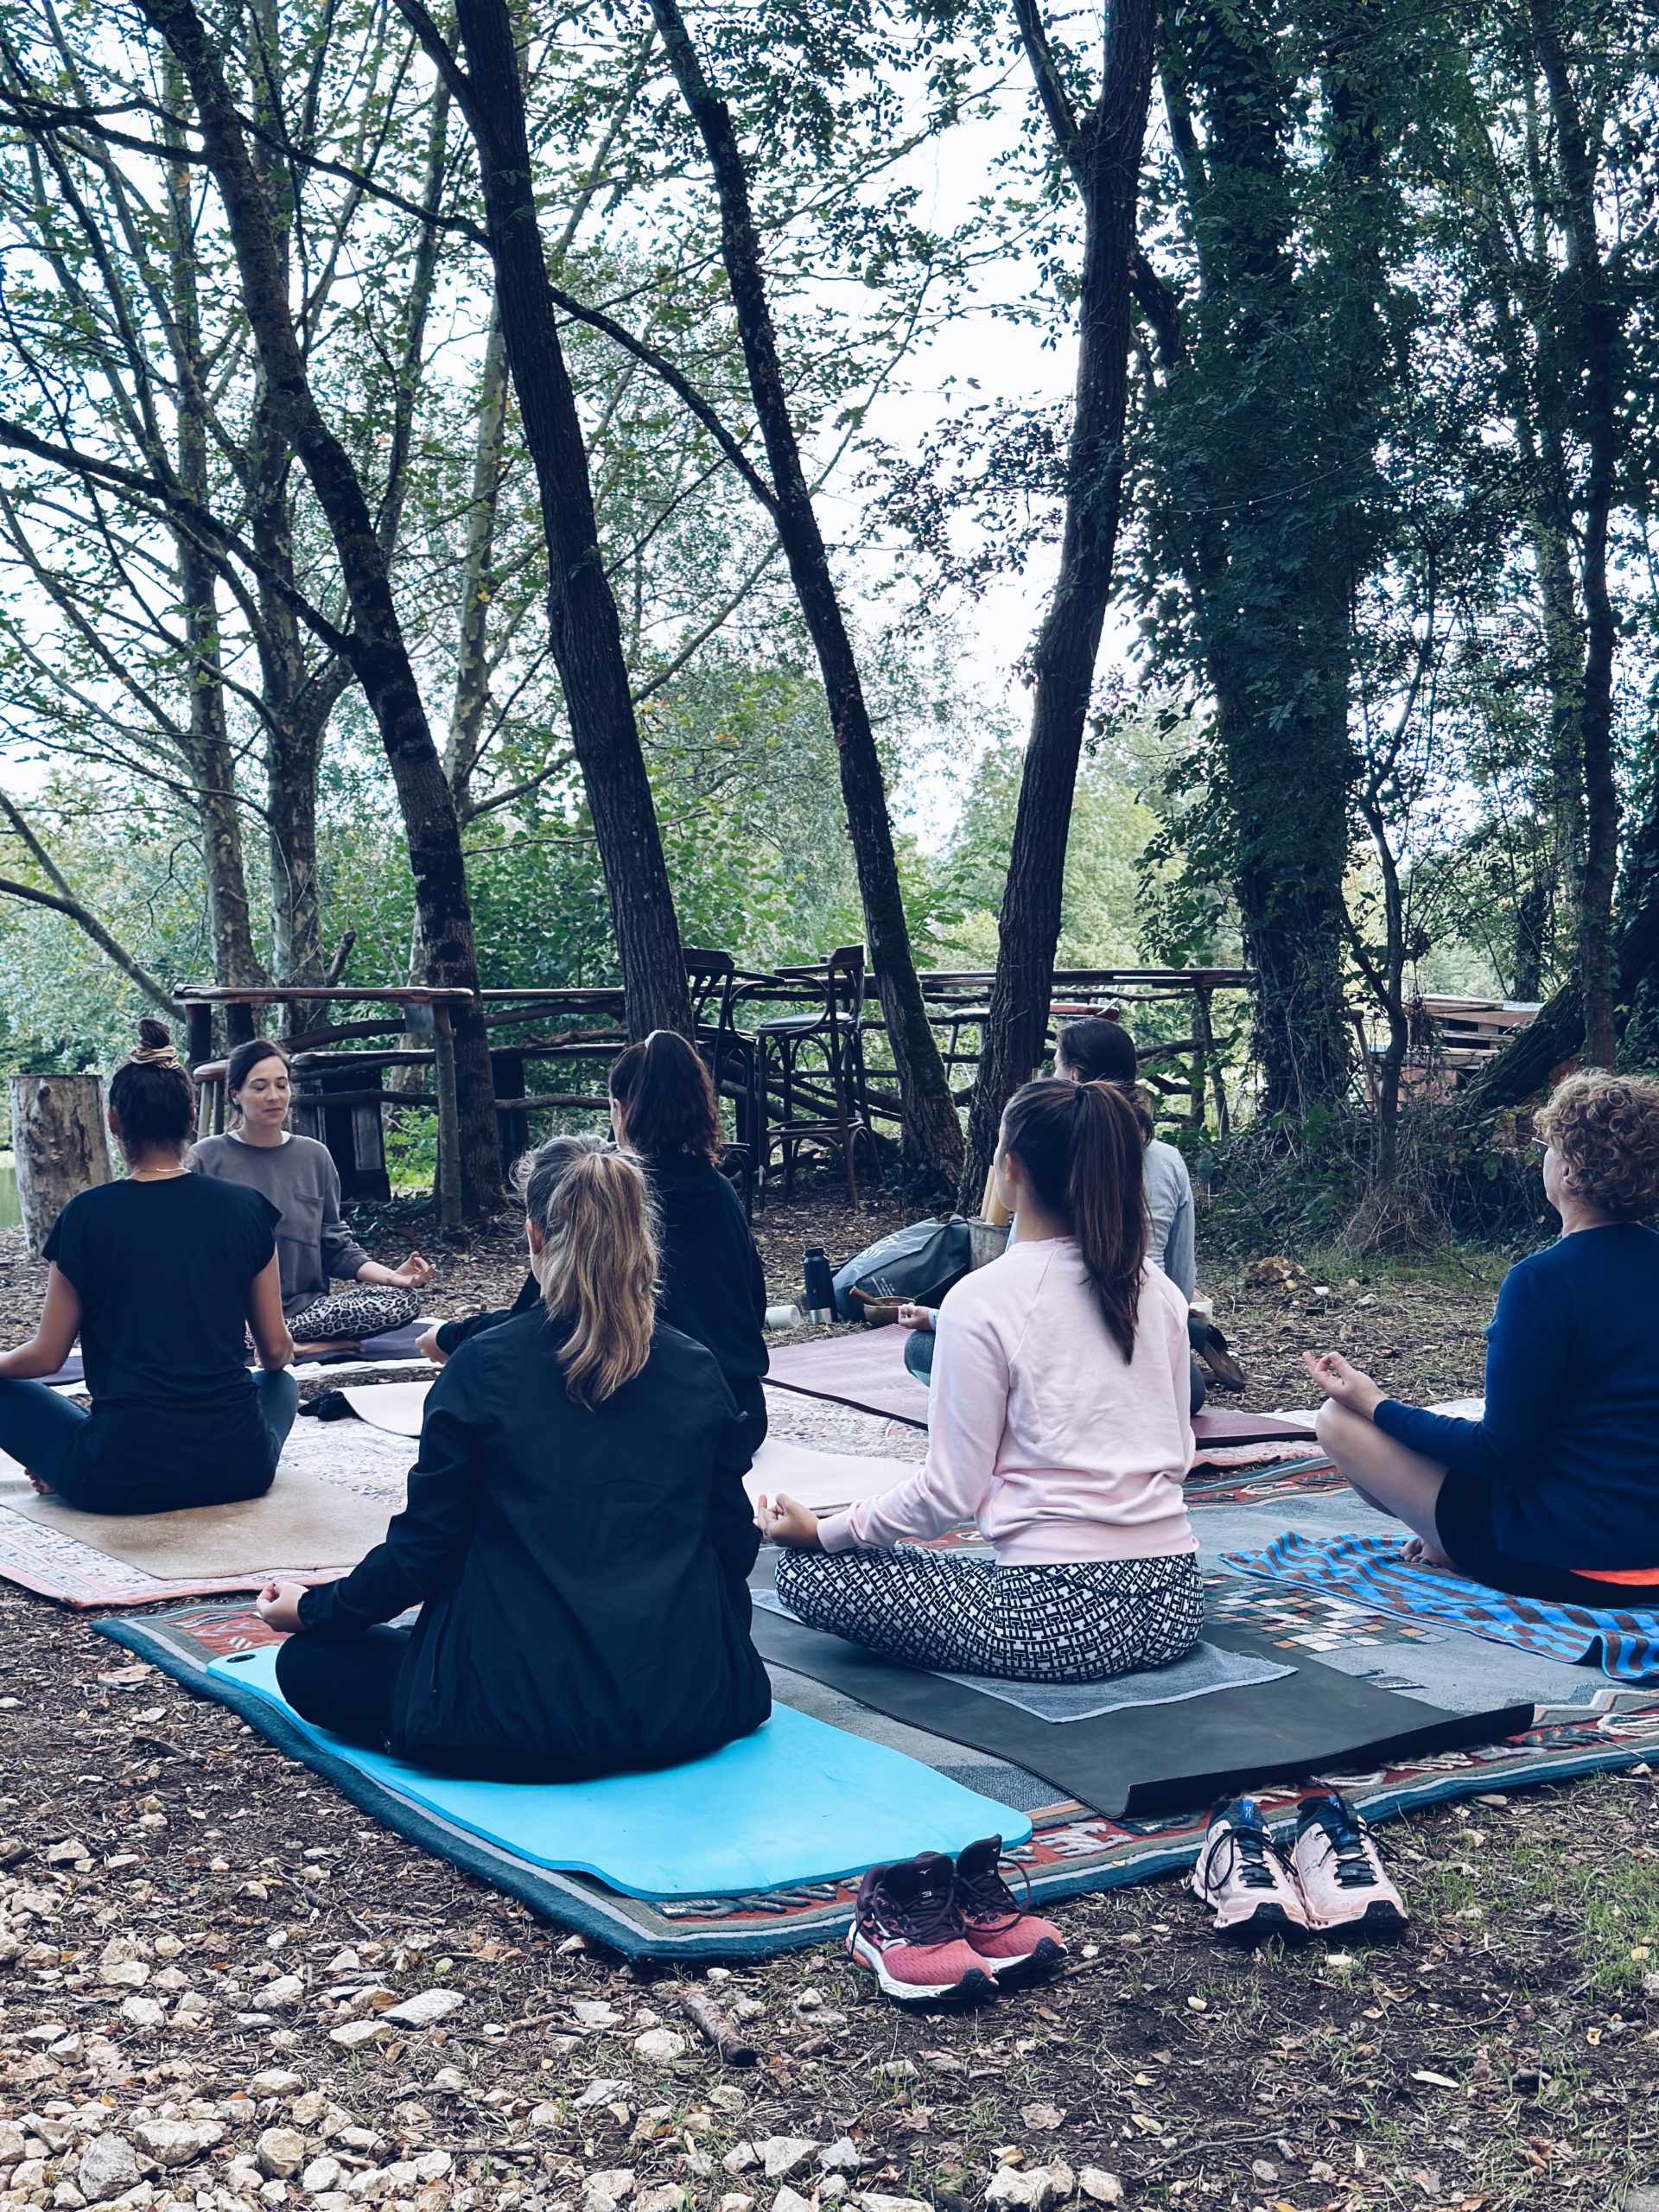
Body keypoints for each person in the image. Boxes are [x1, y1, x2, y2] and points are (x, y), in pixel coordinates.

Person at [257, 1134, 770, 1779]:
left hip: (512, 1713)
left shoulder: (483, 1368)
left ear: (534, 1236)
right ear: (642, 1237)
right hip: (684, 1706)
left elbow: (422, 1553)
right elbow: (733, 1546)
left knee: (310, 1665)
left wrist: (311, 1608)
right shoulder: (697, 1371)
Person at [757, 1077, 1203, 1682]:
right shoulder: (1163, 1295)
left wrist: (827, 1531)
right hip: (1175, 1601)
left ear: (1011, 1168)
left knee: (810, 1571)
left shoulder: (984, 1299)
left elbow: (948, 1496)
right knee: (923, 1564)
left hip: (1058, 1617)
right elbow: (1179, 1454)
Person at [1306, 1069, 1659, 1602]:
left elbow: (1501, 1455)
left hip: (1573, 1561)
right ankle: (1447, 1537)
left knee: (1340, 1420)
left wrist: (1374, 1402)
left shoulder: (1541, 1282)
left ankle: (1447, 1542)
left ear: (1568, 1168)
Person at [0, 1020, 298, 1514]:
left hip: (118, 1478)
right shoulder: (247, 1208)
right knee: (278, 1385)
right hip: (239, 1469)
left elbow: (47, 1357)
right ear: (190, 1122)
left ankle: (62, 1463)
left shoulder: (87, 1215)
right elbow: (274, 1355)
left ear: (115, 1122)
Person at [422, 1031, 770, 1442]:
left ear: (619, 1110)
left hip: (663, 1415)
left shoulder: (614, 1200)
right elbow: (754, 1305)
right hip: (742, 1412)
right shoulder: (722, 1192)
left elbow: (535, 1321)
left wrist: (449, 1336)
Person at [899, 1016, 1202, 1400]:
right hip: (1147, 1342)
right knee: (1184, 1388)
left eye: (1056, 1065)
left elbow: (1016, 1294)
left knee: (923, 1352)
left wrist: (943, 1318)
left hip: (1060, 1361)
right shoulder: (1169, 1160)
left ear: (1073, 1076)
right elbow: (1180, 1278)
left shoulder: (1059, 1153)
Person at [191, 1040, 433, 1357]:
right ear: (234, 1094)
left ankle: (282, 1342)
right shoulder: (206, 1158)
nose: (274, 1096)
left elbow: (336, 1246)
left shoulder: (314, 1155)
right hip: (234, 1316)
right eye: (260, 1087)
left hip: (306, 1312)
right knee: (192, 1324)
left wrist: (392, 1277)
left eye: (281, 1085)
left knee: (401, 1303)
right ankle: (283, 1344)